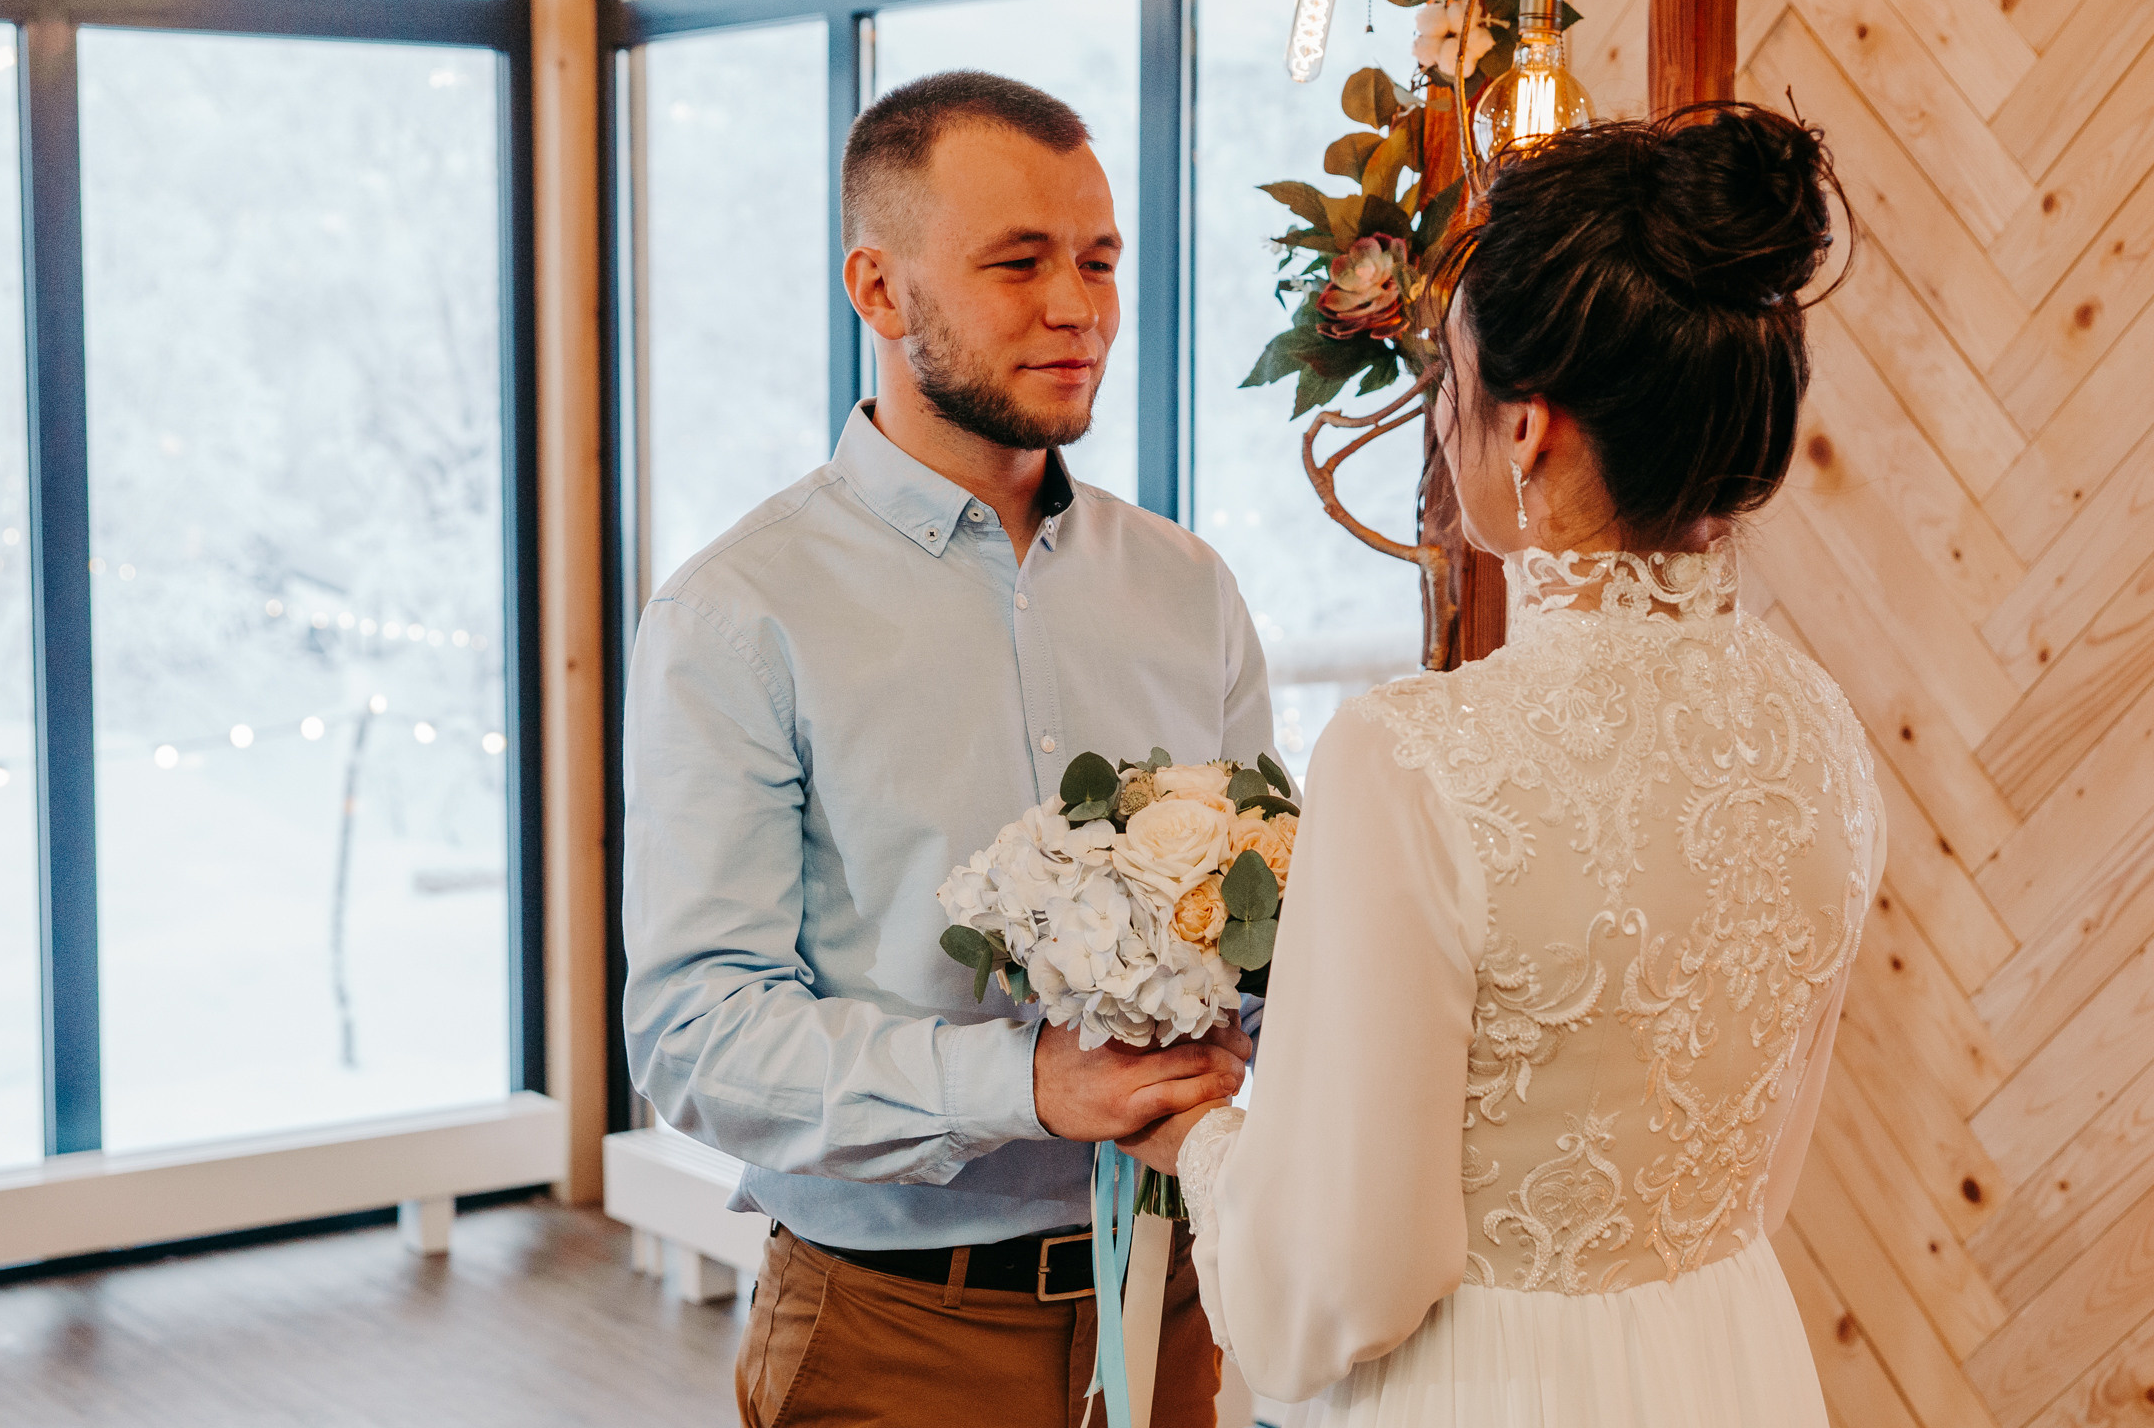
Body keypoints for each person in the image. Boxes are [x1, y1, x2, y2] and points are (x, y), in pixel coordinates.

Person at [1122, 104, 1884, 1426]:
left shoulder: (1418, 760)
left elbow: (1341, 1276)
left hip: (1484, 1387)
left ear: (1525, 430)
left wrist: (1207, 1145)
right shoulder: (1816, 727)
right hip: (1727, 1354)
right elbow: (1758, 1163)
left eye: (1452, 391)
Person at [623, 70, 1274, 1428]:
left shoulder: (1188, 588)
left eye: (1097, 259)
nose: (1078, 306)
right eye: (1018, 263)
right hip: (892, 1337)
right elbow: (695, 1037)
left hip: (1183, 1305)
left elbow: (1264, 934)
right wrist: (1027, 1086)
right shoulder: (740, 613)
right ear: (879, 290)